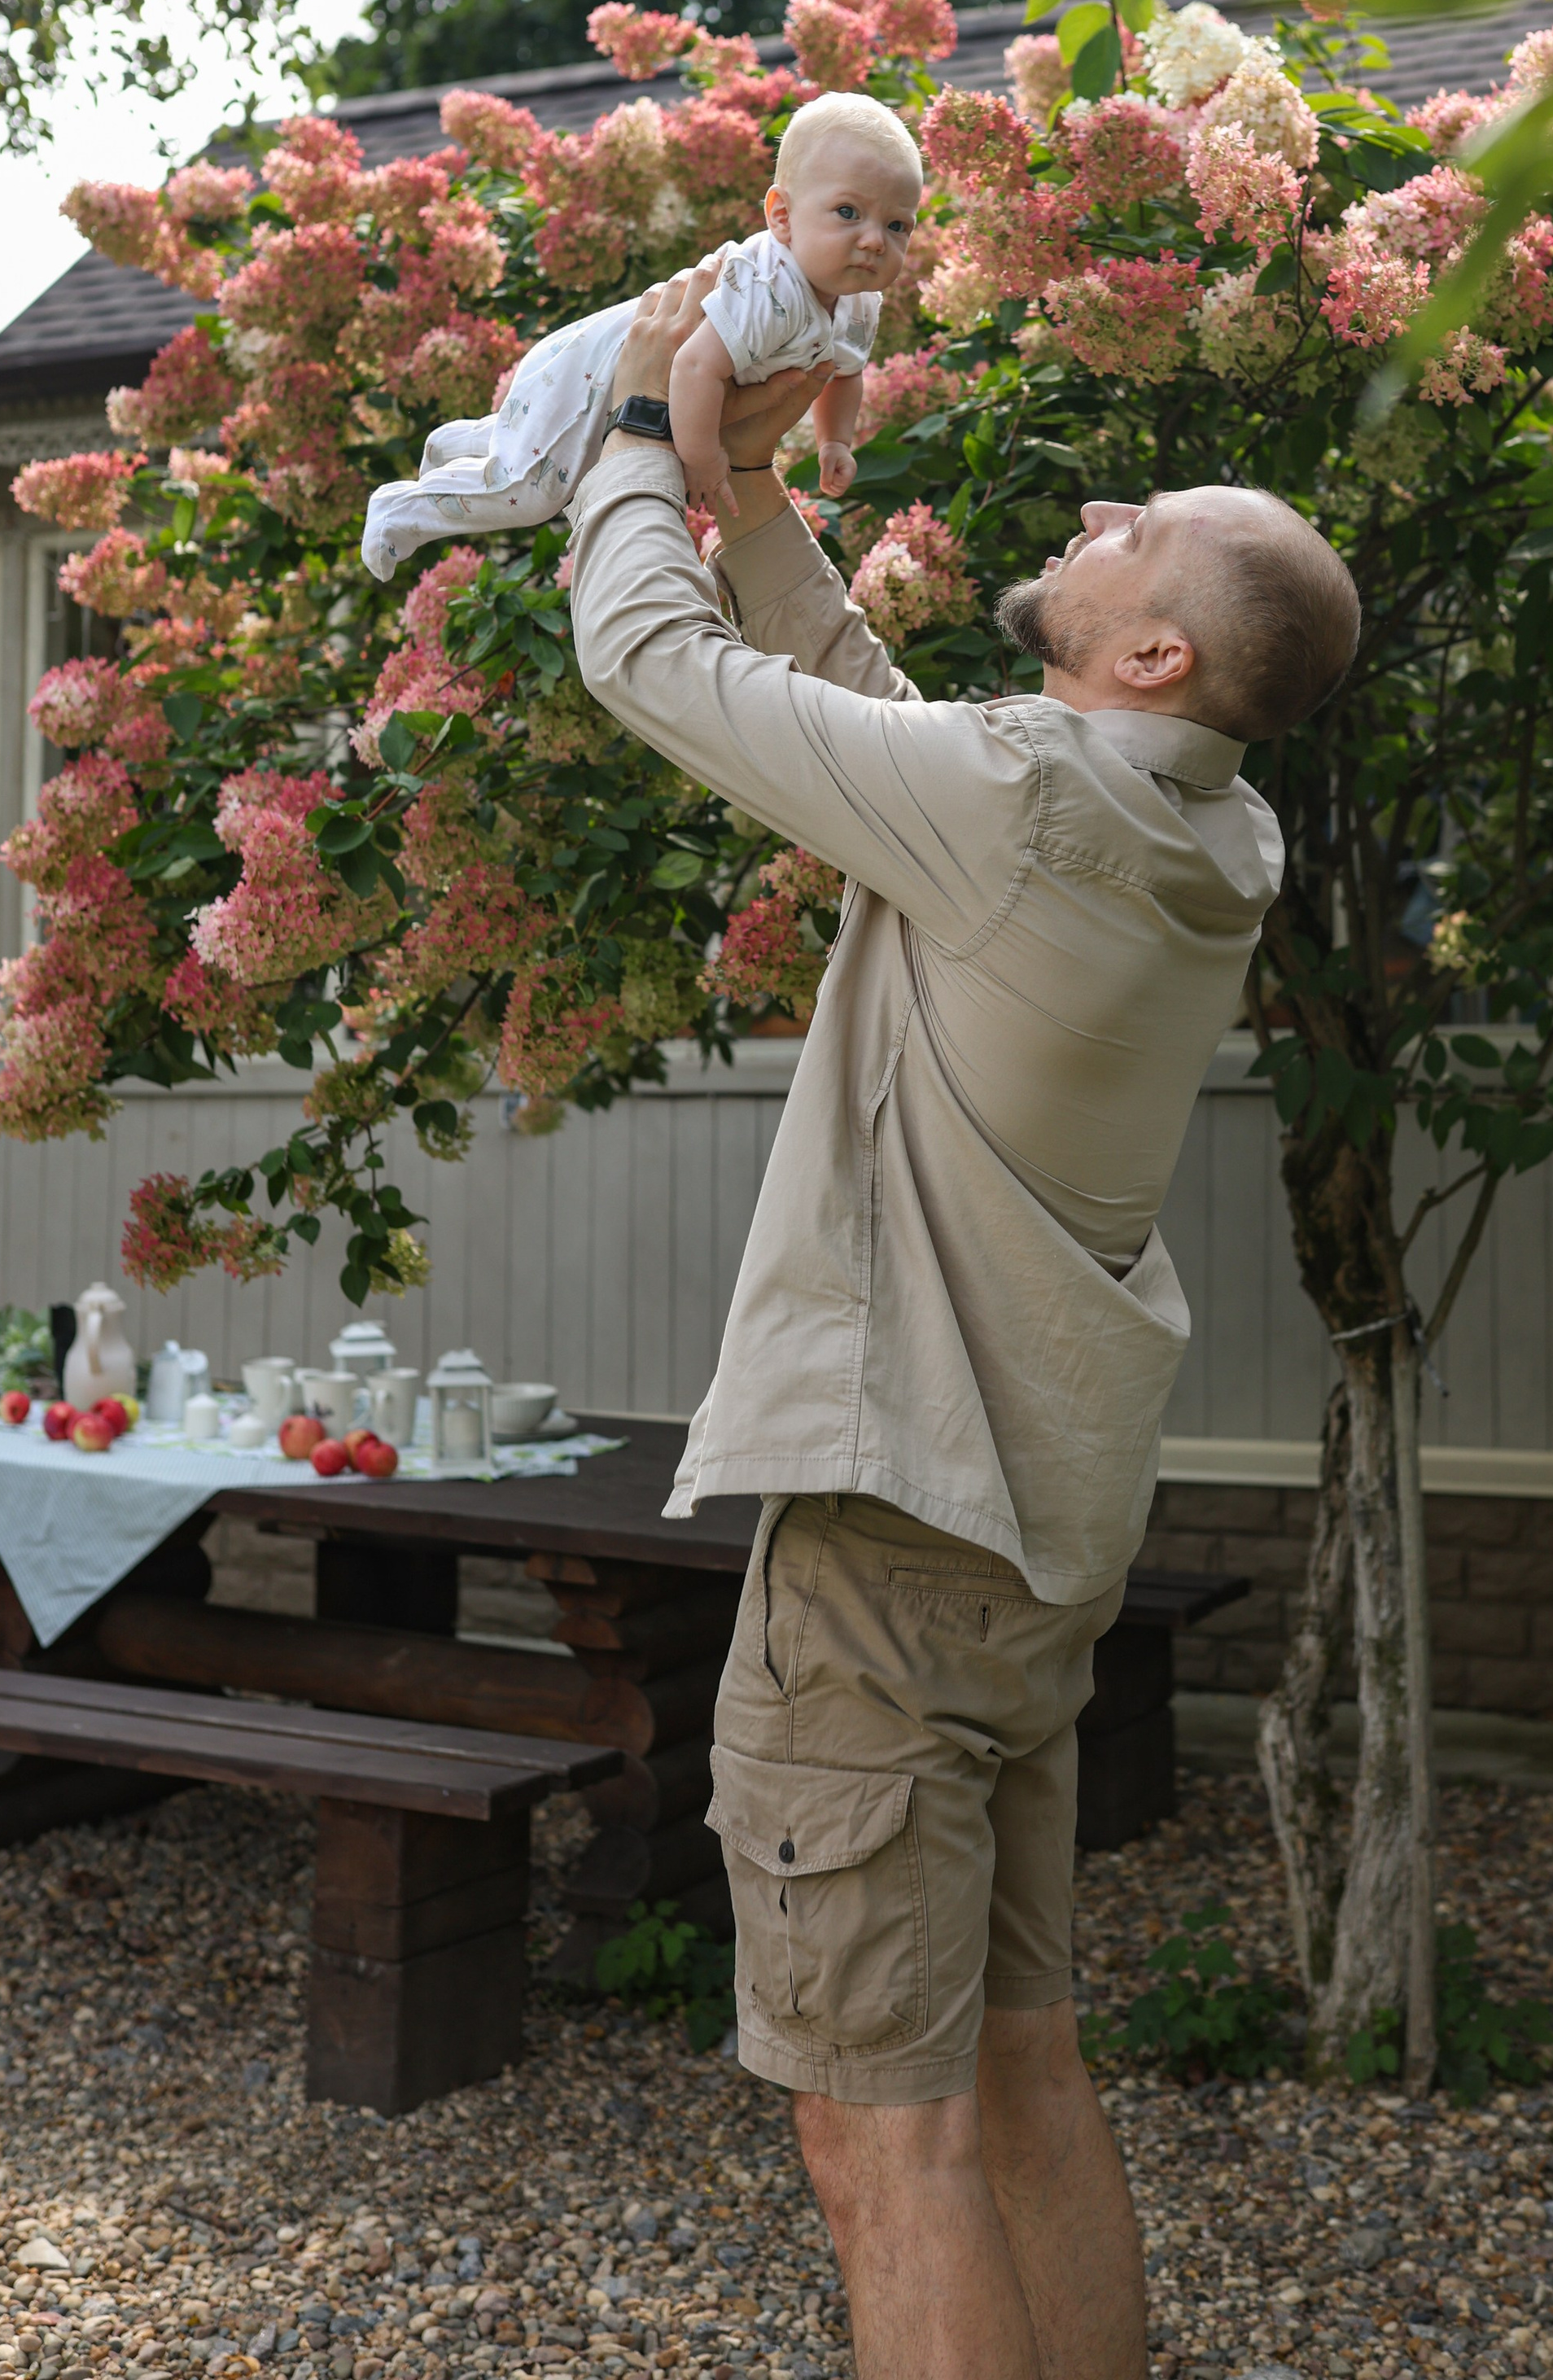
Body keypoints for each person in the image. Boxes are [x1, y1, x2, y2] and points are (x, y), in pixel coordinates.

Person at [566, 265, 1361, 2380]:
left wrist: (648, 429)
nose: (1094, 513)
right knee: (1024, 2080)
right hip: (1029, 1558)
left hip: (895, 1568)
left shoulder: (1023, 811)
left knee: (880, 2159)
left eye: (1130, 533)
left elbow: (644, 657)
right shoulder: (1209, 825)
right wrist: (753, 497)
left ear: (1151, 649)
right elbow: (886, 731)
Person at [358, 92, 916, 578]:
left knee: (535, 458)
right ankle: (400, 509)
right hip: (596, 372)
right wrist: (700, 460)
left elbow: (846, 372)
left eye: (896, 225)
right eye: (848, 212)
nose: (874, 241)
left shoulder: (859, 302)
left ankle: (455, 445)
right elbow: (696, 368)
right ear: (782, 216)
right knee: (532, 494)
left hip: (623, 383)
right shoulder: (770, 285)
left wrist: (834, 441)